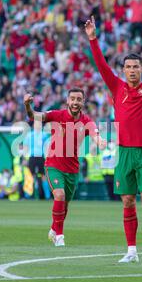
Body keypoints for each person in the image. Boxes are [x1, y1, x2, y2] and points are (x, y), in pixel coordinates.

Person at [86, 15, 142, 262]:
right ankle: (132, 251)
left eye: (136, 67)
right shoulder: (116, 87)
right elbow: (102, 65)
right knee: (127, 201)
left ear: (141, 70)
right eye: (128, 67)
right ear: (123, 70)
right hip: (123, 152)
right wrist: (93, 38)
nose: (132, 70)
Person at [24, 88, 107, 247]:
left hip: (72, 169)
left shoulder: (86, 121)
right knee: (60, 195)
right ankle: (60, 237)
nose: (75, 102)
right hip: (53, 164)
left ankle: (54, 228)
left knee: (65, 204)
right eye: (73, 99)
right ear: (67, 101)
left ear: (83, 102)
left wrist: (100, 141)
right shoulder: (56, 115)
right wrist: (28, 106)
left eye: (79, 99)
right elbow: (33, 116)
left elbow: (95, 134)